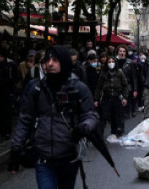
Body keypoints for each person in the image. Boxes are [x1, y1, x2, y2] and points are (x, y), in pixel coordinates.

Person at [9, 46, 98, 187]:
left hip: (68, 158)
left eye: (55, 60)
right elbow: (25, 119)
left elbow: (90, 114)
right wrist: (16, 149)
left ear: (64, 62)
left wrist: (84, 127)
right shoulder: (37, 89)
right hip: (43, 159)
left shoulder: (79, 88)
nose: (50, 63)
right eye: (47, 60)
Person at [94, 56, 129, 137]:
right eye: (109, 62)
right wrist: (96, 99)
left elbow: (125, 86)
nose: (111, 63)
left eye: (112, 61)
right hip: (106, 96)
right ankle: (100, 135)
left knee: (117, 116)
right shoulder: (103, 73)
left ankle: (117, 132)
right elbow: (99, 87)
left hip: (117, 96)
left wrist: (125, 97)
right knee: (104, 116)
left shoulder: (119, 72)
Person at [0, 49, 18, 139]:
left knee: (6, 112)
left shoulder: (10, 65)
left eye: (0, 56)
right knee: (0, 112)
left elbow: (15, 78)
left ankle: (7, 131)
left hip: (7, 91)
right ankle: (2, 131)